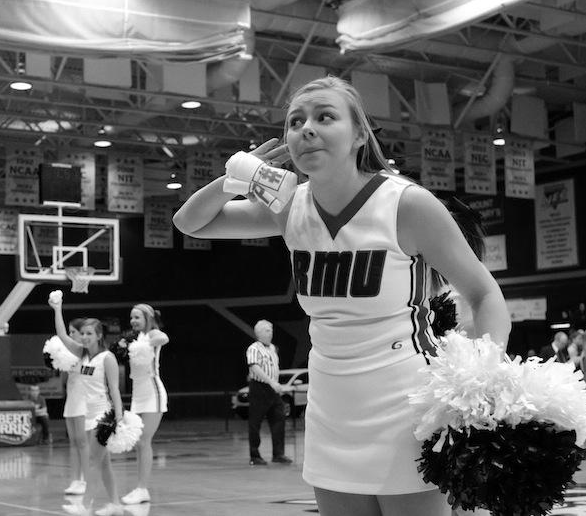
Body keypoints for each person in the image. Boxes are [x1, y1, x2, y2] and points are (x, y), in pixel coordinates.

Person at [173, 75, 511, 516]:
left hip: (406, 401)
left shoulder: (407, 204)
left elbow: (485, 294)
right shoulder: (289, 206)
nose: (306, 128)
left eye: (324, 117)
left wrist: (481, 378)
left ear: (359, 136)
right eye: (296, 122)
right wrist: (233, 178)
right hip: (330, 404)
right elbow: (189, 223)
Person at [52, 315, 125, 516]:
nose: (84, 337)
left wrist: (119, 416)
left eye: (89, 334)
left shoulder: (107, 358)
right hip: (88, 413)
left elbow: (115, 390)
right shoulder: (81, 353)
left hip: (104, 415)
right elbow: (62, 335)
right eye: (82, 333)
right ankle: (115, 504)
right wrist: (57, 308)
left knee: (93, 461)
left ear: (99, 335)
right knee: (104, 464)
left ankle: (85, 505)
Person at [121, 304, 169, 506]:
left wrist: (147, 340)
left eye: (137, 317)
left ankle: (142, 489)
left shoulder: (152, 334)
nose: (133, 321)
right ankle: (140, 488)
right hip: (137, 395)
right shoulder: (135, 337)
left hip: (152, 392)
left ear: (147, 318)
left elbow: (163, 338)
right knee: (138, 444)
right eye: (131, 317)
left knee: (143, 441)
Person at [49, 298, 89, 495]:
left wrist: (58, 308)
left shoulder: (87, 351)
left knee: (83, 442)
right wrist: (57, 309)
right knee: (73, 442)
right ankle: (75, 480)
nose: (70, 335)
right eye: (71, 332)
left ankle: (86, 480)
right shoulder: (70, 352)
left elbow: (94, 374)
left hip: (85, 400)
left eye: (74, 332)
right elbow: (61, 334)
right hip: (72, 399)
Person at [245, 319, 292, 466]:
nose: (270, 333)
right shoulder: (253, 348)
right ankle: (255, 455)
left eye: (271, 330)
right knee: (255, 422)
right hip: (259, 387)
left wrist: (277, 383)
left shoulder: (272, 348)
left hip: (273, 389)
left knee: (279, 419)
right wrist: (271, 382)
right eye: (267, 330)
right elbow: (254, 367)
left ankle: (278, 454)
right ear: (259, 333)